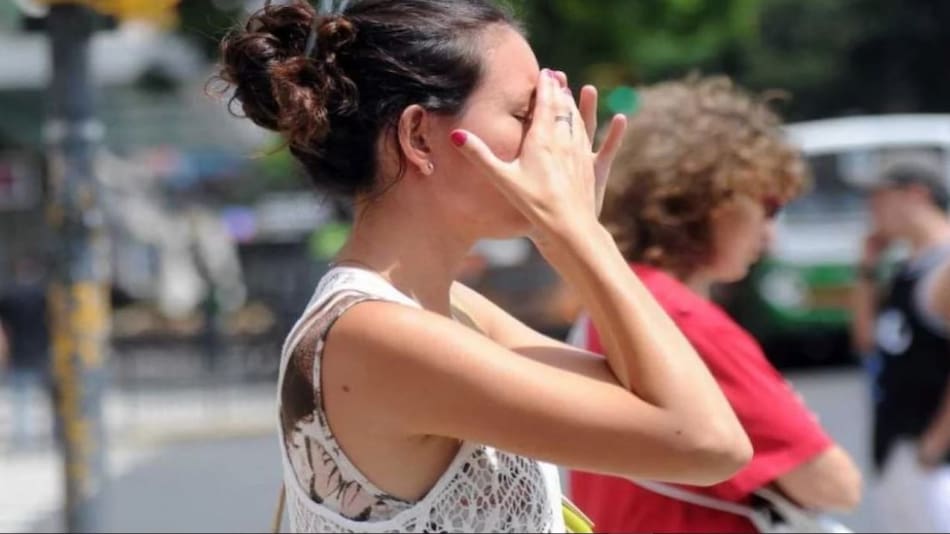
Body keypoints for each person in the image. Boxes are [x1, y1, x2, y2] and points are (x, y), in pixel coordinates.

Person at [217, 1, 752, 532]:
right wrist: (580, 234)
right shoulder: (378, 335)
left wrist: (571, 231)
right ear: (419, 136)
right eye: (525, 115)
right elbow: (708, 444)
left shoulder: (452, 311)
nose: (554, 140)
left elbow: (647, 395)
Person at [568, 75, 862, 533]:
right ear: (713, 199)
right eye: (767, 204)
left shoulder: (612, 299)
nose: (770, 231)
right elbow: (833, 484)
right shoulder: (683, 321)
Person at [850, 154, 950, 533]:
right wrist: (867, 268)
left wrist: (935, 445)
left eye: (879, 198)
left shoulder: (944, 268)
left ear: (915, 194)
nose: (871, 210)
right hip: (898, 445)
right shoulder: (907, 267)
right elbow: (866, 342)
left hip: (935, 458)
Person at [0, 256, 52, 451]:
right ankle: (49, 436)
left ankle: (22, 440)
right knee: (48, 397)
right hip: (41, 350)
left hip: (17, 351)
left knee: (20, 398)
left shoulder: (9, 296)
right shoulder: (43, 295)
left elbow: (2, 328)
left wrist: (3, 352)